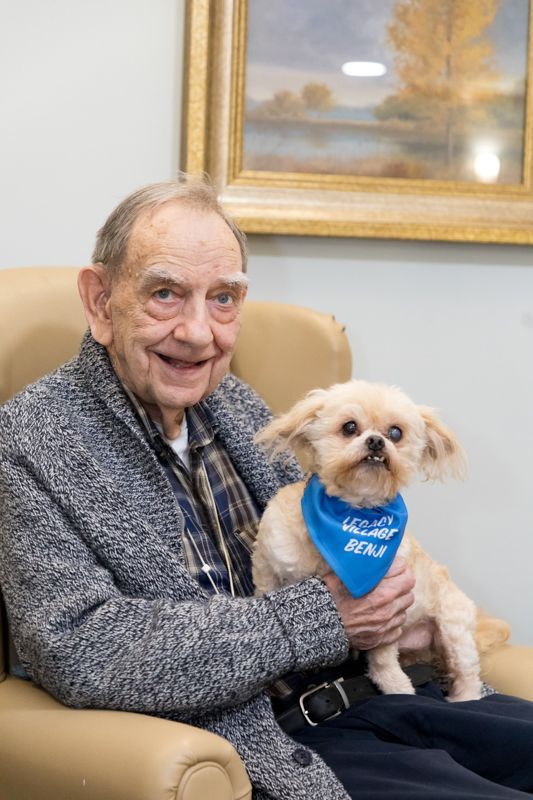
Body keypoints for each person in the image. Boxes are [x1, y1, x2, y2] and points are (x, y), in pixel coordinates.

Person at [0, 177, 532, 800]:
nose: (200, 333)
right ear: (100, 302)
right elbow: (82, 649)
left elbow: (331, 550)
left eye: (224, 299)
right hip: (277, 744)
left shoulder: (233, 404)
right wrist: (315, 621)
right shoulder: (32, 440)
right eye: (165, 294)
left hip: (379, 696)